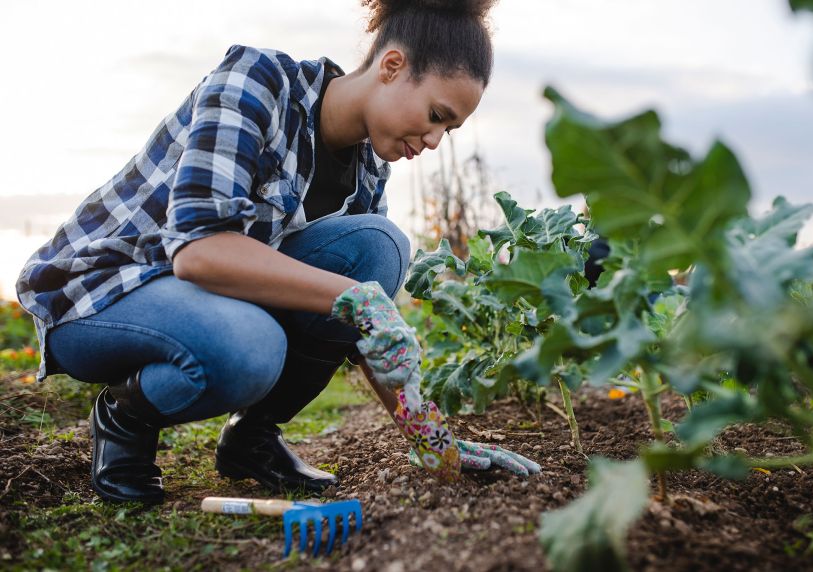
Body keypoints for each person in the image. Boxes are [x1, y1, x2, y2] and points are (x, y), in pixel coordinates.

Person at [15, 0, 540, 505]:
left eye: (449, 129)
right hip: (99, 295)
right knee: (252, 347)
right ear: (392, 65)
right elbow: (198, 252)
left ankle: (251, 436)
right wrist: (356, 298)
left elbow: (365, 325)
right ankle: (124, 415)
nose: (434, 140)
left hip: (194, 300)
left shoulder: (367, 169)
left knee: (379, 245)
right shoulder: (259, 81)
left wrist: (430, 437)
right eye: (436, 114)